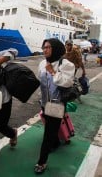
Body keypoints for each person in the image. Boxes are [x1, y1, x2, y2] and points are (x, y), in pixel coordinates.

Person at [34, 38, 75, 174]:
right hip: (45, 103)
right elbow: (41, 81)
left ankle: (42, 161)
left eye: (48, 47)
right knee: (50, 129)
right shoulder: (42, 63)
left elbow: (67, 82)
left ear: (56, 48)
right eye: (44, 47)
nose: (45, 50)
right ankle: (56, 142)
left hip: (57, 105)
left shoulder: (66, 64)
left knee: (48, 134)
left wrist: (53, 72)